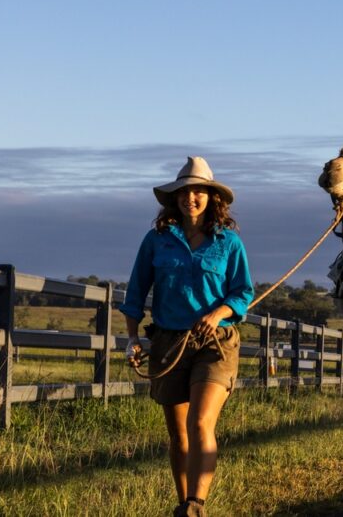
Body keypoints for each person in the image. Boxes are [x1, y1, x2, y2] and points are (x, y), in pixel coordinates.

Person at [121, 156, 255, 517]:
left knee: (200, 422)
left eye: (198, 191)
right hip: (168, 342)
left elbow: (243, 292)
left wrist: (218, 313)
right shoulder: (157, 240)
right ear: (175, 198)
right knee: (178, 433)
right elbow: (135, 292)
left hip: (215, 343)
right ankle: (183, 506)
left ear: (212, 197)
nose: (190, 197)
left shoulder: (228, 243)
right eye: (184, 191)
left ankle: (198, 504)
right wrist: (133, 338)